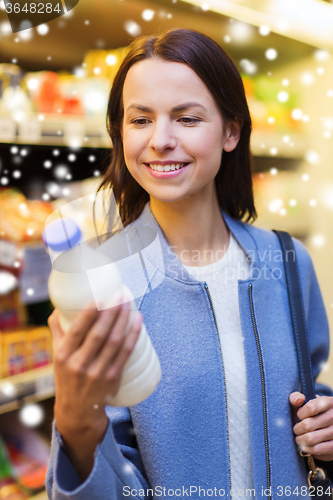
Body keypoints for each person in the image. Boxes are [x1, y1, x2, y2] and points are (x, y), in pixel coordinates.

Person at [45, 28, 333, 499]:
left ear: (231, 131)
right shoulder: (101, 280)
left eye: (186, 118)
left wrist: (325, 432)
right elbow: (110, 478)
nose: (160, 140)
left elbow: (309, 390)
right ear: (120, 132)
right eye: (140, 120)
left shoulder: (286, 260)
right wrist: (76, 428)